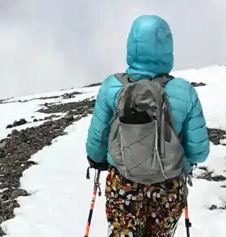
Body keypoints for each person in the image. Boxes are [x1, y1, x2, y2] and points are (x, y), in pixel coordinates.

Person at [84, 14, 210, 237]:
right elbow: (199, 152)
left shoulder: (112, 86)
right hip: (168, 188)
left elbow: (97, 140)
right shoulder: (184, 91)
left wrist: (98, 160)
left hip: (123, 183)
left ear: (131, 45)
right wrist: (185, 162)